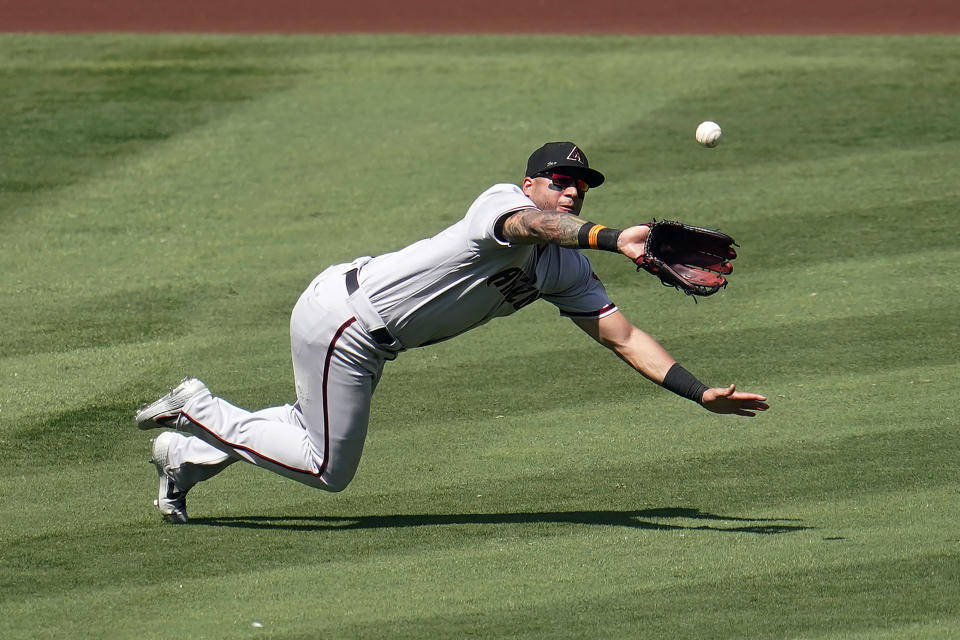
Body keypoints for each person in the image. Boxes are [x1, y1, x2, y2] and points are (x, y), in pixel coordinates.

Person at [136, 141, 769, 524]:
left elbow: (624, 337)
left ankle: (186, 458)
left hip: (364, 332)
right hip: (349, 321)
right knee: (328, 467)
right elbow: (529, 227)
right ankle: (198, 407)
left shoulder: (567, 271)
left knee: (310, 433)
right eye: (560, 180)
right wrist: (609, 237)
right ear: (531, 185)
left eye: (581, 184)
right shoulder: (499, 206)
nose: (571, 190)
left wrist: (700, 391)